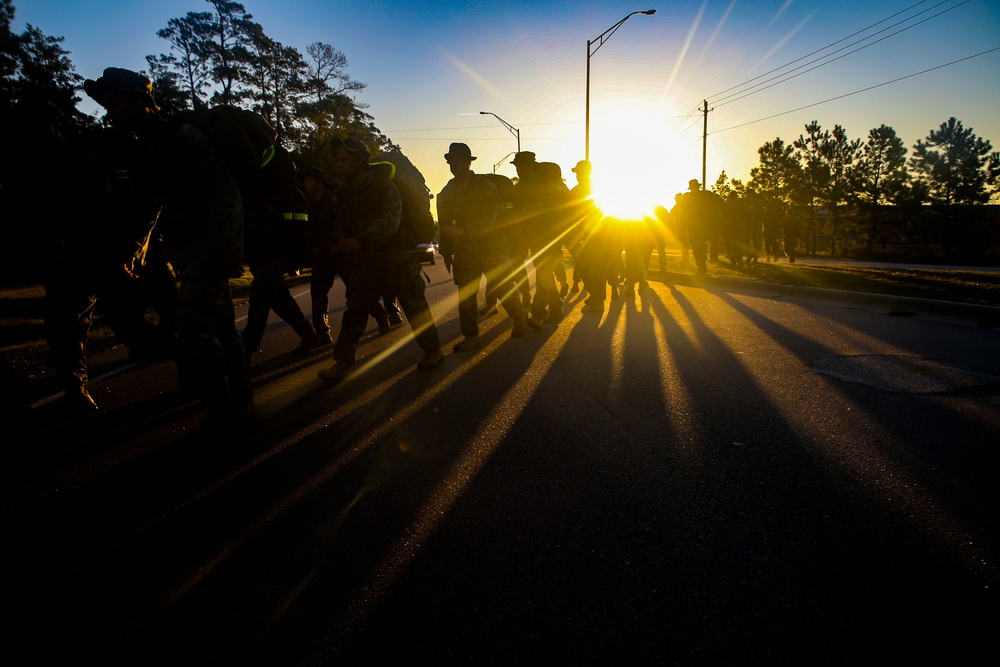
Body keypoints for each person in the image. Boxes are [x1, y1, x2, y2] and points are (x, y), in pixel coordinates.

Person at [84, 67, 255, 429]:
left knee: (191, 326)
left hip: (209, 246)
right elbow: (145, 204)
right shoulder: (142, 151)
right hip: (184, 249)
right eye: (105, 105)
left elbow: (223, 193)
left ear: (140, 102)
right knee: (222, 326)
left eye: (114, 103)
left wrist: (229, 251)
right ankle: (241, 402)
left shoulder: (185, 138)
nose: (108, 112)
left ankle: (222, 406)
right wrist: (134, 247)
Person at [4, 96, 111, 415]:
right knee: (62, 324)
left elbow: (99, 213)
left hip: (82, 257)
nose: (30, 129)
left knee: (75, 322)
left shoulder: (80, 161)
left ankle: (76, 388)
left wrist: (92, 256)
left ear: (55, 122)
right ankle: (74, 387)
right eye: (25, 123)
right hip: (51, 261)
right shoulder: (24, 165)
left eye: (36, 121)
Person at [317, 136, 443, 384]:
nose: (339, 165)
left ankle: (433, 350)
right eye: (338, 160)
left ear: (360, 160)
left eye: (345, 160)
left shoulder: (384, 186)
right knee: (355, 309)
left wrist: (361, 240)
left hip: (397, 258)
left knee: (414, 306)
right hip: (367, 262)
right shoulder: (342, 194)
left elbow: (391, 221)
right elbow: (339, 226)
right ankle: (342, 361)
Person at [437, 143, 529, 351]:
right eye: (451, 161)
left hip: (491, 246)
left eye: (459, 160)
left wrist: (462, 231)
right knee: (466, 296)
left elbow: (490, 218)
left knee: (503, 287)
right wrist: (445, 251)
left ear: (469, 162)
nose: (454, 164)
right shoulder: (447, 192)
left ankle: (520, 319)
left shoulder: (485, 185)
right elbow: (443, 225)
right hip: (464, 251)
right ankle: (471, 337)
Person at [300, 166, 390, 345]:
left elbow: (339, 229)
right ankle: (323, 332)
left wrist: (328, 248)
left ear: (320, 182)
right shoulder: (310, 205)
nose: (305, 184)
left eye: (309, 180)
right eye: (304, 181)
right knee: (317, 293)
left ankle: (380, 314)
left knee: (358, 292)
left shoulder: (335, 200)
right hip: (322, 257)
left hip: (342, 253)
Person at [512, 152, 567, 326]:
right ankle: (556, 308)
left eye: (521, 167)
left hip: (550, 235)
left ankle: (538, 314)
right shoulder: (523, 185)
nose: (519, 170)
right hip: (535, 237)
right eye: (517, 167)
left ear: (530, 166)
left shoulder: (543, 184)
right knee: (545, 272)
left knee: (543, 273)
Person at [682, 179, 724, 276]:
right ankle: (701, 265)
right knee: (695, 245)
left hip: (703, 225)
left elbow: (715, 208)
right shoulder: (689, 197)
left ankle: (702, 266)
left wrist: (718, 222)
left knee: (700, 245)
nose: (694, 189)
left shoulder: (706, 196)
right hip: (694, 224)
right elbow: (683, 212)